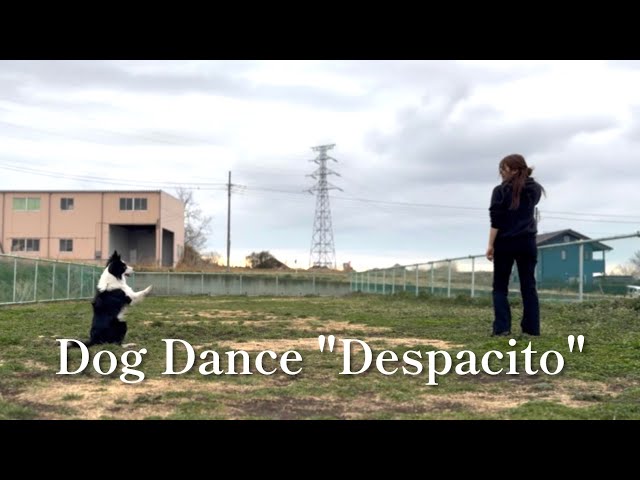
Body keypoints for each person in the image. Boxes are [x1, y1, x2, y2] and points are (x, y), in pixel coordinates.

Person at [486, 154, 545, 336]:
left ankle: (502, 328)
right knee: (528, 286)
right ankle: (531, 329)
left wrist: (490, 245)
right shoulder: (534, 189)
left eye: (503, 169)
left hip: (505, 243)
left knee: (500, 287)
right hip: (527, 242)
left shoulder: (500, 191)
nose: (501, 173)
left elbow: (496, 221)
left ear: (514, 169)